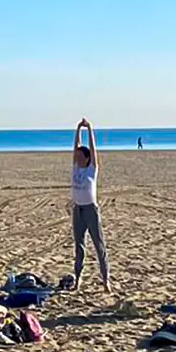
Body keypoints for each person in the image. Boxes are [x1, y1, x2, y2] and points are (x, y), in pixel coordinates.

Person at [70, 118, 110, 292]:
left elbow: (93, 150)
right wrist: (78, 128)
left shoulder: (91, 169)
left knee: (99, 245)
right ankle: (78, 279)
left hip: (90, 210)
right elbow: (76, 146)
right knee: (79, 246)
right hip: (77, 210)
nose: (77, 158)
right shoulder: (75, 168)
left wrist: (90, 129)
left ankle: (105, 280)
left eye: (80, 156)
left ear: (87, 159)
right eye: (76, 156)